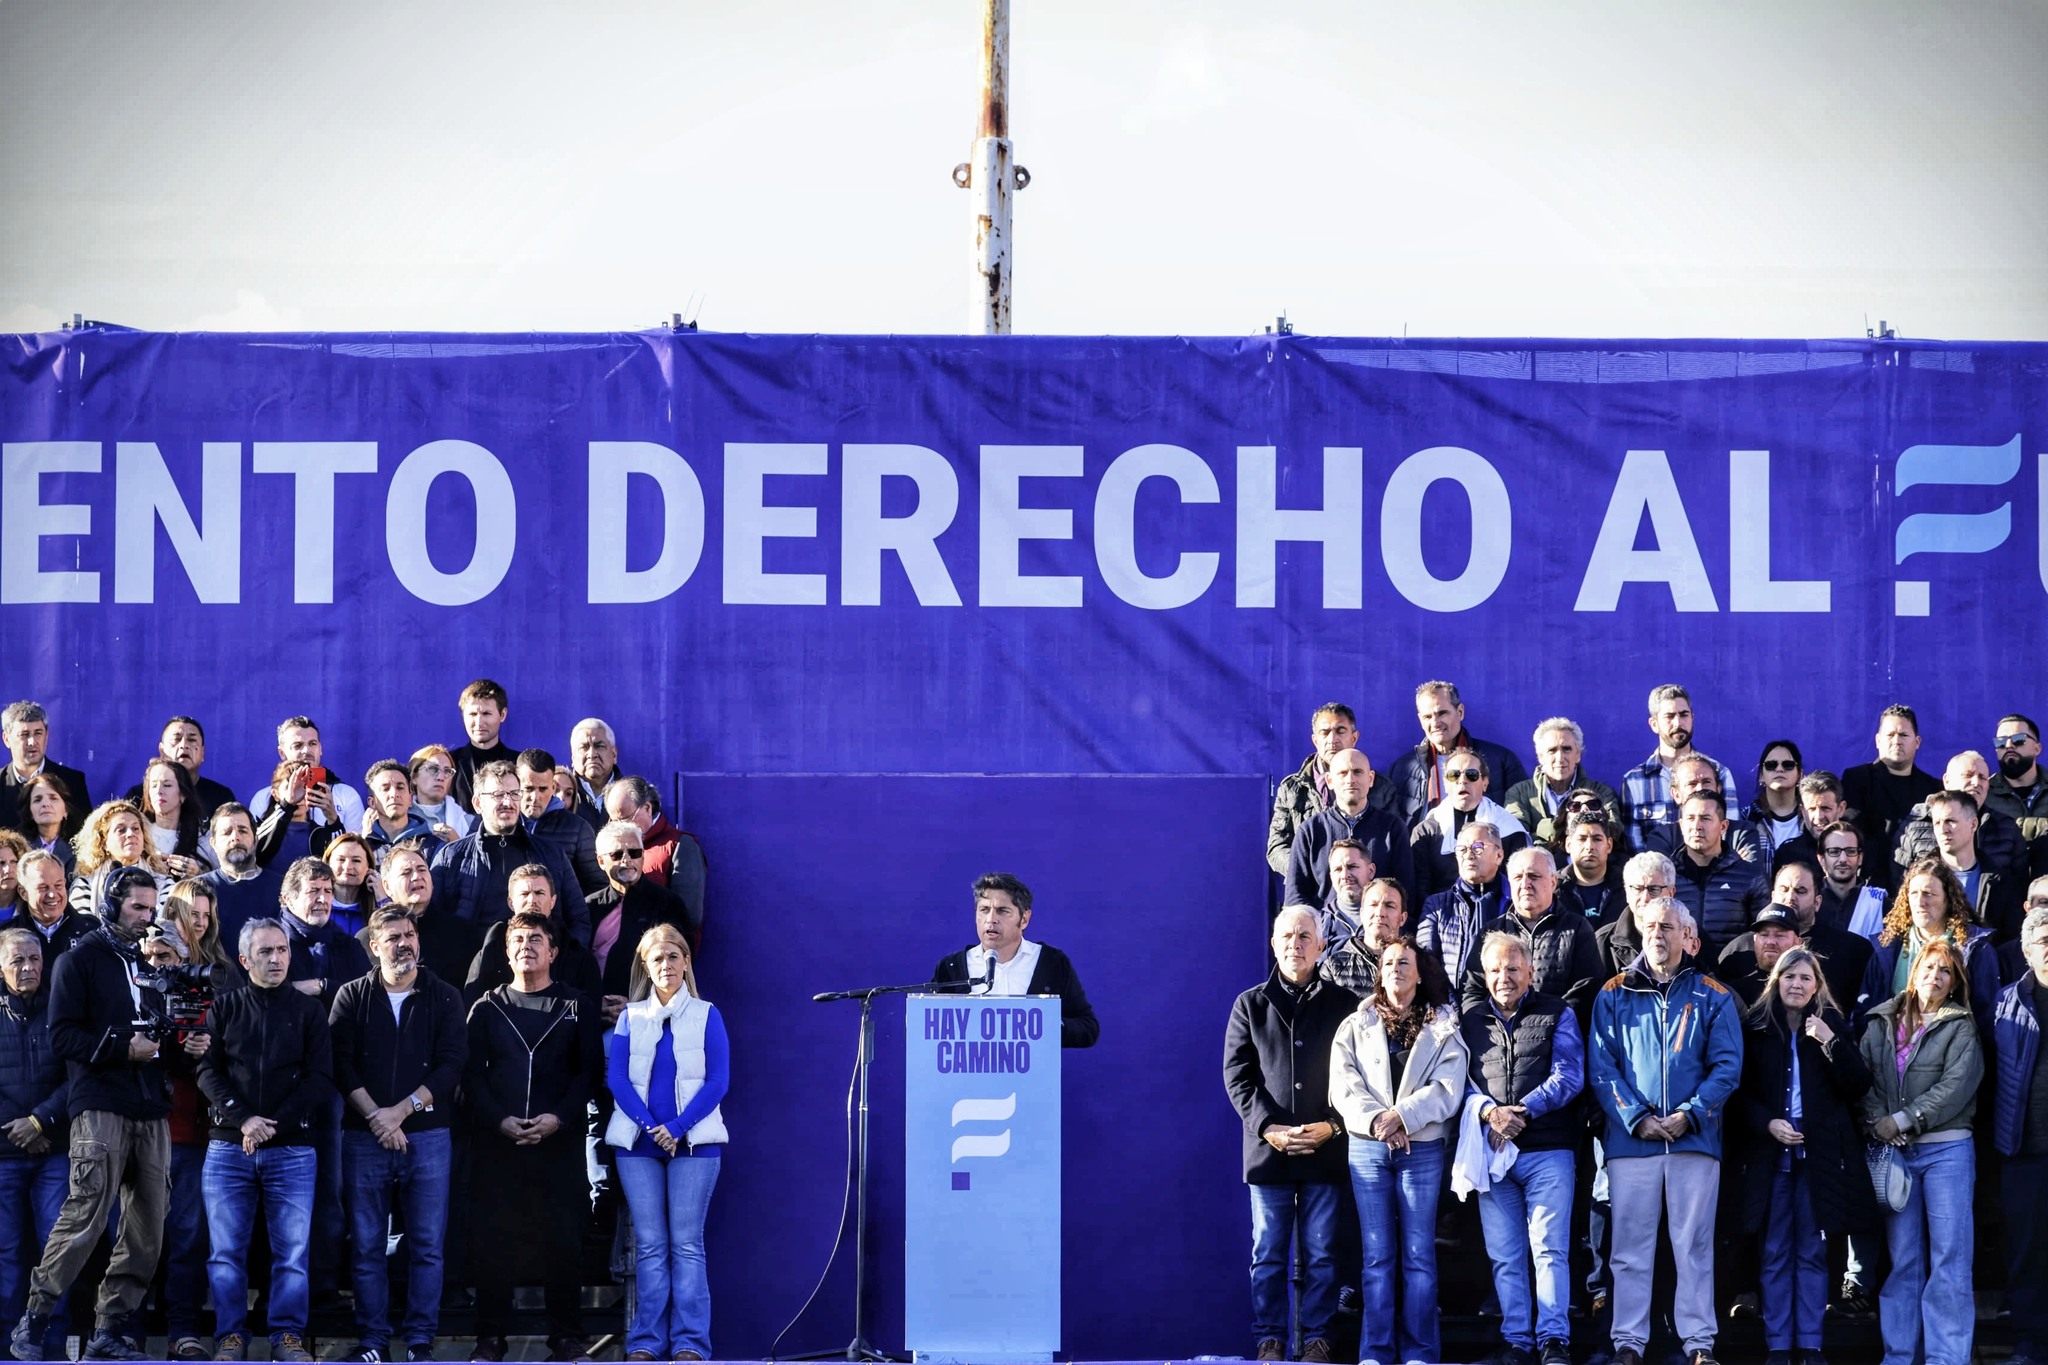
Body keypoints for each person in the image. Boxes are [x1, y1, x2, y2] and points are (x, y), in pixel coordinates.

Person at [11, 866, 171, 1362]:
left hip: (151, 1105)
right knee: (85, 1216)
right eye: (137, 908)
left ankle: (111, 1331)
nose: (146, 918)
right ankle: (34, 1323)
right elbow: (63, 1037)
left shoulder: (153, 962)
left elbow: (161, 1037)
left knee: (149, 1228)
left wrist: (186, 1041)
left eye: (151, 908)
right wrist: (126, 1050)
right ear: (109, 905)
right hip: (99, 1104)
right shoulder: (78, 960)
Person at [1589, 895, 1744, 1365]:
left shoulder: (1713, 994)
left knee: (1693, 1246)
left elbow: (1727, 1067)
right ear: (1640, 931)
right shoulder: (1613, 992)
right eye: (1651, 925)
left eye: (1668, 927)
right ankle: (1628, 1342)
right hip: (1630, 1142)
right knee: (1630, 1248)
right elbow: (1601, 1066)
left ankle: (1699, 1343)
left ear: (1686, 936)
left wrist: (1689, 1114)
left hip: (1694, 1140)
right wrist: (1637, 1118)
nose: (1658, 934)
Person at [465, 911, 605, 1363]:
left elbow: (588, 1073)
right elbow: (471, 1076)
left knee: (563, 1241)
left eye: (537, 939)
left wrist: (559, 1119)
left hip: (559, 1145)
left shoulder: (577, 1005)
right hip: (498, 1144)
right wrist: (498, 1120)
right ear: (506, 952)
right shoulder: (485, 1008)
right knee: (494, 1242)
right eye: (518, 939)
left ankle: (566, 1338)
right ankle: (491, 1339)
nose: (527, 945)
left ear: (553, 951)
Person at [331, 908, 468, 1364]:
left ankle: (419, 1343)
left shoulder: (444, 996)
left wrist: (402, 1111)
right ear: (374, 946)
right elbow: (341, 1064)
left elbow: (452, 1064)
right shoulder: (351, 996)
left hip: (427, 1135)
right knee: (368, 1245)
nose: (404, 943)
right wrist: (377, 1117)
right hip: (363, 1137)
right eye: (393, 937)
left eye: (409, 935)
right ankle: (373, 1342)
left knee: (427, 1246)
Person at [1730, 946, 1879, 1365]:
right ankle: (1779, 1346)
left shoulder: (1831, 1024)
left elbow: (1858, 1085)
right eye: (1789, 976)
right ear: (1776, 980)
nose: (1797, 985)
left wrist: (1830, 1042)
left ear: (1818, 987)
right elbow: (1737, 1094)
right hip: (1769, 1160)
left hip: (1820, 1162)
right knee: (1775, 1250)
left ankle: (1810, 1345)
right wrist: (1768, 1124)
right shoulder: (1755, 1027)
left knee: (1813, 1252)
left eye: (1806, 978)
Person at [197, 918, 333, 1364]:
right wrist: (244, 1121)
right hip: (228, 1147)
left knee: (292, 1253)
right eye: (265, 953)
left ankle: (287, 1337)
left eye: (281, 951)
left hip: (292, 1148)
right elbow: (207, 1072)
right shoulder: (225, 1007)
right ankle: (230, 1337)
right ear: (244, 960)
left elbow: (319, 1078)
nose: (276, 959)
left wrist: (270, 1124)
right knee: (224, 1253)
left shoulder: (310, 1012)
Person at [1223, 907, 1357, 1363]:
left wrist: (1333, 1125)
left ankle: (1317, 1338)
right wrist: (1269, 1127)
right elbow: (1237, 1077)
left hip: (1326, 1150)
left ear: (1321, 945)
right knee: (1268, 1254)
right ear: (1274, 943)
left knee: (1321, 1253)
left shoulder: (1345, 1005)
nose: (1295, 944)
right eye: (1286, 936)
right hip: (1269, 1154)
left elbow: (1359, 1075)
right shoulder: (1250, 1004)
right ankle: (1271, 1340)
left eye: (1305, 936)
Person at [1330, 936, 1466, 1365]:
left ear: (1419, 971)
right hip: (1368, 1149)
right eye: (1388, 962)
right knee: (1376, 1256)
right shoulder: (1357, 1024)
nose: (1395, 968)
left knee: (1419, 1256)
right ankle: (1375, 1352)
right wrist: (1378, 1121)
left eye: (1404, 962)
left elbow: (1448, 1087)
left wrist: (1402, 1116)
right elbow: (1342, 1084)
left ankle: (1421, 1353)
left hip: (1421, 1149)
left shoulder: (1443, 1025)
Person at [606, 924, 729, 1363]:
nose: (666, 965)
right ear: (646, 965)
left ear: (685, 962)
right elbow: (616, 1078)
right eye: (657, 958)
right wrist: (649, 1124)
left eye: (674, 957)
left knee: (687, 1244)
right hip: (637, 1145)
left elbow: (718, 1081)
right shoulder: (630, 1017)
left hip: (693, 1145)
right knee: (652, 1246)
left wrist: (676, 1128)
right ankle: (645, 1343)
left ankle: (690, 1345)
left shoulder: (707, 1013)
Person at [1858, 938, 1984, 1365]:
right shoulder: (1879, 1022)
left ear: (1954, 984)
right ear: (1913, 973)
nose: (1935, 977)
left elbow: (1957, 1087)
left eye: (1945, 972)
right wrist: (1878, 1120)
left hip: (1946, 1151)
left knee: (1949, 1255)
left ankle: (1946, 1357)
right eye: (1929, 968)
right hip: (1894, 1154)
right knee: (1903, 1258)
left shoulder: (1961, 1025)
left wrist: (1904, 1118)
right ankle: (1899, 1355)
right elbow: (1864, 1081)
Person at [1463, 931, 1584, 1365]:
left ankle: (1554, 1340)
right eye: (1495, 970)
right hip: (1493, 1153)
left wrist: (1521, 1112)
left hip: (1548, 1151)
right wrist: (1490, 1114)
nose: (1504, 977)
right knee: (1504, 1254)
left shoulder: (1558, 1012)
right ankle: (1518, 1341)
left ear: (1530, 970)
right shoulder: (1470, 1020)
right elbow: (1463, 1084)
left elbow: (1568, 1076)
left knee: (1549, 1250)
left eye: (1513, 968)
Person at [0, 928, 68, 1361]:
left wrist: (40, 1122)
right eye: (17, 961)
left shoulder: (62, 1009)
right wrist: (20, 1128)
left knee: (55, 1249)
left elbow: (76, 1073)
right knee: (6, 1252)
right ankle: (6, 1347)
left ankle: (54, 1346)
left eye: (35, 959)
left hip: (54, 1151)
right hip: (4, 1153)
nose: (28, 968)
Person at [932, 873, 1099, 1048]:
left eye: (1002, 911)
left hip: (1031, 1074)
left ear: (1024, 919)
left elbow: (1088, 1028)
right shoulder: (950, 968)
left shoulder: (1052, 963)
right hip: (967, 1074)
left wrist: (1048, 1025)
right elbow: (926, 1027)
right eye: (984, 910)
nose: (991, 919)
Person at [429, 762, 583, 944]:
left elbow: (579, 919)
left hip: (539, 965)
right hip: (470, 967)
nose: (508, 802)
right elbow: (433, 921)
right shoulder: (451, 857)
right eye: (498, 795)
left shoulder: (552, 854)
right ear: (478, 803)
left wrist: (563, 963)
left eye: (514, 794)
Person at [1856, 858, 2001, 1048]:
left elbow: (1987, 1019)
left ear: (1948, 899)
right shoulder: (1888, 946)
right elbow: (1865, 1012)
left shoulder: (1975, 950)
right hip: (1890, 1060)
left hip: (1952, 1060)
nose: (1920, 902)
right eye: (1913, 893)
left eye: (1929, 894)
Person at [1990, 907, 2048, 1365]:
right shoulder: (2005, 1002)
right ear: (2026, 950)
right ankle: (2029, 1341)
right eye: (2044, 941)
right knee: (2026, 1251)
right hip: (2024, 1149)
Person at [1469, 847, 1603, 1019]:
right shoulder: (1491, 931)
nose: (1525, 884)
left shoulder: (1577, 928)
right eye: (1518, 877)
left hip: (1558, 1032)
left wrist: (1543, 1024)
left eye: (1534, 876)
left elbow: (1586, 989)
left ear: (1553, 882)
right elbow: (1472, 990)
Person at [1377, 681, 1529, 832]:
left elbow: (1517, 823)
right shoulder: (1401, 769)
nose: (1435, 723)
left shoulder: (1501, 761)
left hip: (1482, 850)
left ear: (1460, 712)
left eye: (1442, 713)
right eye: (1427, 717)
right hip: (1424, 853)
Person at [587, 823, 693, 1024]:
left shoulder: (667, 904)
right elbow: (575, 965)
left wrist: (638, 1004)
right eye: (617, 855)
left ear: (643, 855)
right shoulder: (589, 907)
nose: (627, 860)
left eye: (634, 852)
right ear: (601, 861)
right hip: (594, 1018)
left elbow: (682, 965)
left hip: (651, 1018)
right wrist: (592, 1003)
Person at [1288, 750, 1414, 909]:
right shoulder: (1310, 831)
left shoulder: (1392, 828)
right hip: (1325, 931)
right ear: (1330, 780)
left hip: (1378, 930)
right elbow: (1295, 896)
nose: (1350, 779)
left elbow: (1405, 892)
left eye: (1357, 772)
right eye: (1342, 773)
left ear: (1370, 779)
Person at [1619, 685, 1740, 851]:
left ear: (1692, 718)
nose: (1678, 723)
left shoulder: (1719, 773)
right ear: (1654, 724)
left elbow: (1731, 836)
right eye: (1669, 716)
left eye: (1684, 715)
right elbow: (1635, 849)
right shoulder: (1634, 782)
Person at [1843, 705, 1941, 893]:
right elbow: (1853, 835)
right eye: (1890, 735)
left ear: (1917, 741)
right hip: (1869, 886)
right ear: (1878, 740)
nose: (1897, 741)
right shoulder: (1857, 779)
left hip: (1919, 886)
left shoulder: (1933, 789)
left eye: (1904, 735)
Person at [1411, 750, 1531, 901]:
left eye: (1471, 774)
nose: (1462, 780)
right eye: (1454, 775)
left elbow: (1519, 882)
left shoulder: (1509, 828)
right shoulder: (1425, 831)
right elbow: (1420, 889)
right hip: (1443, 914)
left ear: (1485, 783)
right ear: (1445, 784)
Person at [368, 843, 483, 990]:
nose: (417, 877)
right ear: (387, 886)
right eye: (406, 872)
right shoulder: (368, 939)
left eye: (422, 870)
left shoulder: (463, 934)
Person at [1503, 717, 1624, 856]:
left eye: (1566, 749)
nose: (1560, 757)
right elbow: (1516, 838)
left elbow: (1613, 831)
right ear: (1540, 757)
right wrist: (1575, 829)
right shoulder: (1519, 793)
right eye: (1552, 750)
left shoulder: (1601, 793)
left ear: (1578, 755)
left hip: (1589, 872)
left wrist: (1544, 828)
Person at [602, 778, 708, 935]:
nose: (619, 827)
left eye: (624, 819)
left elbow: (688, 914)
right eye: (613, 821)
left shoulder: (680, 845)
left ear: (647, 808)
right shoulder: (611, 849)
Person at [1670, 791, 1769, 959]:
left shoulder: (1749, 877)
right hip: (1677, 976)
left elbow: (1764, 933)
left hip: (1731, 977)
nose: (1697, 826)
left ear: (1723, 827)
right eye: (1690, 818)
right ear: (1680, 825)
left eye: (1705, 818)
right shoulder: (1666, 876)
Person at [200, 796, 308, 949]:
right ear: (213, 843)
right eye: (227, 832)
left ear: (256, 840)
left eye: (243, 831)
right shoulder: (199, 888)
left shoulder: (283, 887)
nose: (235, 837)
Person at [1269, 704, 1362, 876]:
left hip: (1359, 889)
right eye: (1325, 732)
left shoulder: (1378, 787)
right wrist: (1310, 871)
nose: (1332, 739)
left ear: (1354, 738)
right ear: (1315, 740)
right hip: (1307, 890)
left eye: (1340, 731)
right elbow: (1277, 848)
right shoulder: (1292, 789)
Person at [1416, 822, 1506, 990]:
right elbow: (1426, 964)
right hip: (1450, 1006)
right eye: (1462, 850)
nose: (1469, 856)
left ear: (1499, 855)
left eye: (1477, 847)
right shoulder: (1437, 906)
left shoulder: (1515, 903)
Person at [247, 716, 367, 841]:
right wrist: (286, 806)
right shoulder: (264, 798)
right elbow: (254, 849)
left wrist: (332, 818)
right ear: (282, 753)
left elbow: (354, 850)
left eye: (312, 744)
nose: (306, 750)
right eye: (298, 745)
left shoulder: (346, 794)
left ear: (320, 749)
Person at [518, 749, 604, 897]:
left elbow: (597, 887)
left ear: (552, 788)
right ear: (516, 785)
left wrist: (575, 917)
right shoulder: (497, 823)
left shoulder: (578, 828)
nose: (535, 797)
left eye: (543, 789)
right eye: (528, 788)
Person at [0, 703, 90, 843]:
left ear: (46, 736)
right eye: (24, 735)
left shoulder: (71, 781)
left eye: (38, 733)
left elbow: (85, 838)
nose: (32, 742)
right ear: (6, 739)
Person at [121, 717, 236, 823]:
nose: (184, 745)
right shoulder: (138, 796)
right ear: (162, 751)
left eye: (191, 740)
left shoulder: (221, 797)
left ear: (202, 753)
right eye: (176, 739)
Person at [66, 800, 169, 914]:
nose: (130, 834)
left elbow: (170, 927)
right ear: (103, 842)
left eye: (135, 829)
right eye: (121, 830)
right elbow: (82, 928)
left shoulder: (163, 883)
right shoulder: (85, 884)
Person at [4, 852, 94, 962]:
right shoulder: (6, 936)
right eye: (43, 887)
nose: (52, 894)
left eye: (58, 886)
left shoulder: (91, 931)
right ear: (23, 893)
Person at [360, 760, 443, 865]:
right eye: (385, 789)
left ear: (410, 799)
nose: (394, 794)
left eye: (400, 787)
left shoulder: (434, 846)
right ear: (372, 802)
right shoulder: (363, 848)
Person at [449, 680, 515, 811]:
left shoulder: (518, 763)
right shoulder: (450, 764)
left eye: (486, 714)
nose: (479, 722)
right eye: (473, 714)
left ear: (502, 715)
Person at [1812, 820, 1886, 936]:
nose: (1843, 859)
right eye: (1834, 852)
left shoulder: (1879, 903)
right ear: (1821, 859)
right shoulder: (1810, 901)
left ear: (1860, 858)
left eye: (1850, 851)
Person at [137, 758, 207, 879]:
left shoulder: (203, 839)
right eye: (153, 786)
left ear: (183, 795)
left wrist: (198, 875)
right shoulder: (137, 834)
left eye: (167, 785)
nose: (159, 791)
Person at [1987, 715, 2048, 846]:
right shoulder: (1984, 793)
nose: (2009, 746)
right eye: (2001, 742)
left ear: (2037, 748)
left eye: (2018, 739)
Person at [1558, 810, 1627, 924]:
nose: (1589, 846)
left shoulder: (1628, 887)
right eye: (1582, 839)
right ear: (1568, 845)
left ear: (1609, 845)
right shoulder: (1553, 889)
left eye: (1597, 839)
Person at [1745, 740, 1807, 858]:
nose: (1779, 769)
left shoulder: (1812, 817)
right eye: (1771, 765)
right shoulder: (1746, 818)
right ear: (1761, 775)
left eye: (1788, 765)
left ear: (1800, 774)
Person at [16, 774, 77, 881]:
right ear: (30, 812)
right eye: (37, 800)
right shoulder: (18, 850)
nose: (45, 804)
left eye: (53, 798)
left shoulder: (80, 850)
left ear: (66, 810)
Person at [406, 748, 472, 843]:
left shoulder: (468, 822)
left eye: (447, 771)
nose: (441, 777)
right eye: (433, 769)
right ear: (414, 777)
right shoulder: (401, 816)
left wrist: (457, 843)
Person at [567, 720, 623, 828]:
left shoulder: (634, 794)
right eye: (584, 747)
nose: (592, 754)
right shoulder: (560, 796)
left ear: (614, 754)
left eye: (599, 746)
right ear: (573, 758)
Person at [323, 833, 380, 937]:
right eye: (341, 859)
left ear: (368, 867)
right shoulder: (317, 906)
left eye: (356, 860)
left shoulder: (377, 908)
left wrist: (382, 898)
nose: (348, 866)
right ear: (327, 864)